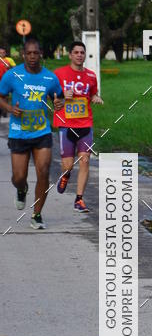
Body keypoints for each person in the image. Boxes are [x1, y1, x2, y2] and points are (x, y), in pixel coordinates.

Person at [0, 38, 64, 228]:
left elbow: (58, 99)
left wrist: (59, 104)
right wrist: (10, 109)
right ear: (23, 54)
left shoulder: (50, 78)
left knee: (43, 172)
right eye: (29, 53)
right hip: (19, 132)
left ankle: (37, 215)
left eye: (36, 53)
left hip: (42, 132)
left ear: (41, 53)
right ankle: (22, 190)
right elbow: (0, 97)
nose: (32, 56)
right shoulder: (12, 75)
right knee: (19, 177)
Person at [53, 40, 102, 212]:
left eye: (82, 52)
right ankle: (66, 175)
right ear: (70, 55)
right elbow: (51, 99)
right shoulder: (59, 74)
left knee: (85, 160)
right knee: (68, 165)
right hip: (66, 125)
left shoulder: (90, 75)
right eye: (76, 52)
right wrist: (60, 96)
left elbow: (93, 93)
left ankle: (79, 200)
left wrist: (96, 98)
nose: (79, 55)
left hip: (85, 124)